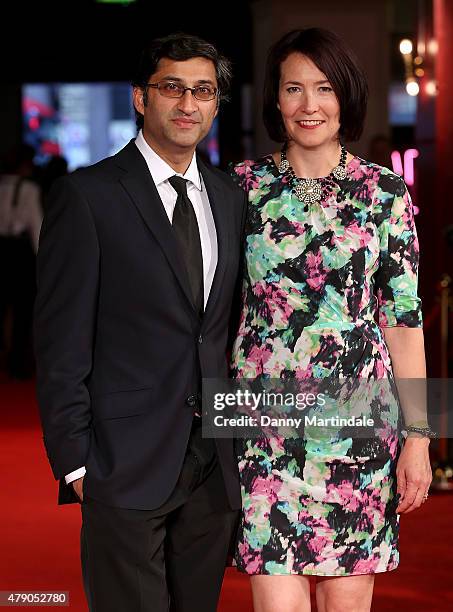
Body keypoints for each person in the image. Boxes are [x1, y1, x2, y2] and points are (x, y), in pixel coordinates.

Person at [34, 33, 246, 612]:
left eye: (203, 91)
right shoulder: (89, 196)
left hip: (212, 463)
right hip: (121, 463)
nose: (188, 104)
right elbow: (59, 343)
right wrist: (76, 461)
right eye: (171, 87)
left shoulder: (229, 196)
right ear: (139, 97)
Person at [229, 28, 432, 612]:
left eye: (323, 89)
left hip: (360, 432)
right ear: (275, 99)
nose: (309, 105)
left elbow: (404, 323)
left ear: (346, 94)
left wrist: (418, 438)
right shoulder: (241, 189)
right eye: (294, 89)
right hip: (264, 428)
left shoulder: (385, 193)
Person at [0, 143, 42, 379]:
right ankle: (18, 360)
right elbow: (36, 225)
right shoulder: (27, 190)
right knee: (22, 309)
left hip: (3, 248)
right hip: (19, 252)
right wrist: (43, 258)